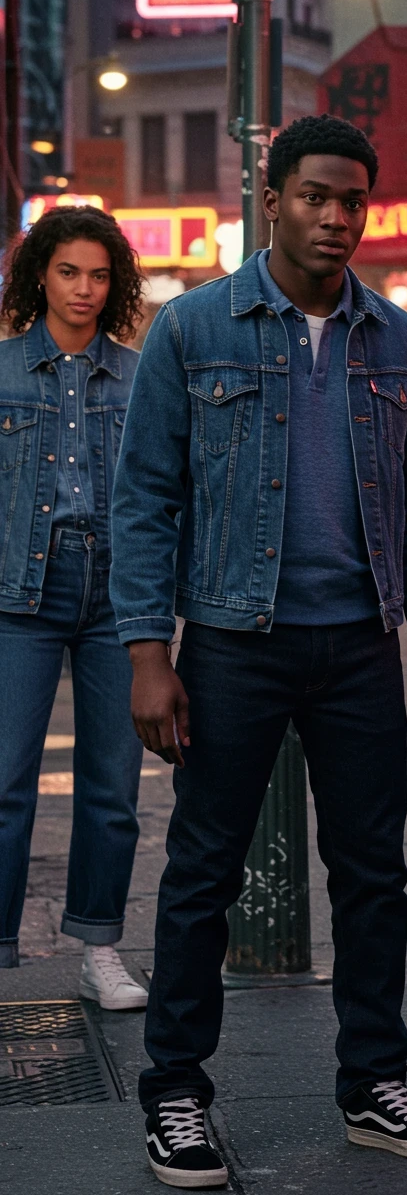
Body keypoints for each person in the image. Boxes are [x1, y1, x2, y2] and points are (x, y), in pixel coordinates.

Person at [110, 114, 407, 1188]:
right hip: (230, 638)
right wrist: (145, 652)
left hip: (360, 642)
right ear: (271, 198)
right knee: (202, 871)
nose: (335, 216)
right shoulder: (195, 328)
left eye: (352, 199)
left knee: (372, 872)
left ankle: (373, 1082)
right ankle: (175, 1090)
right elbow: (145, 499)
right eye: (314, 195)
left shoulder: (395, 339)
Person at [0, 206, 148, 1009]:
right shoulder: (1, 371)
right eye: (68, 272)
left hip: (116, 593)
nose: (84, 289)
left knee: (112, 786)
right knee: (4, 785)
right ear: (39, 276)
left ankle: (100, 948)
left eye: (98, 274)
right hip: (17, 591)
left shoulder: (137, 374)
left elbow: (165, 492)